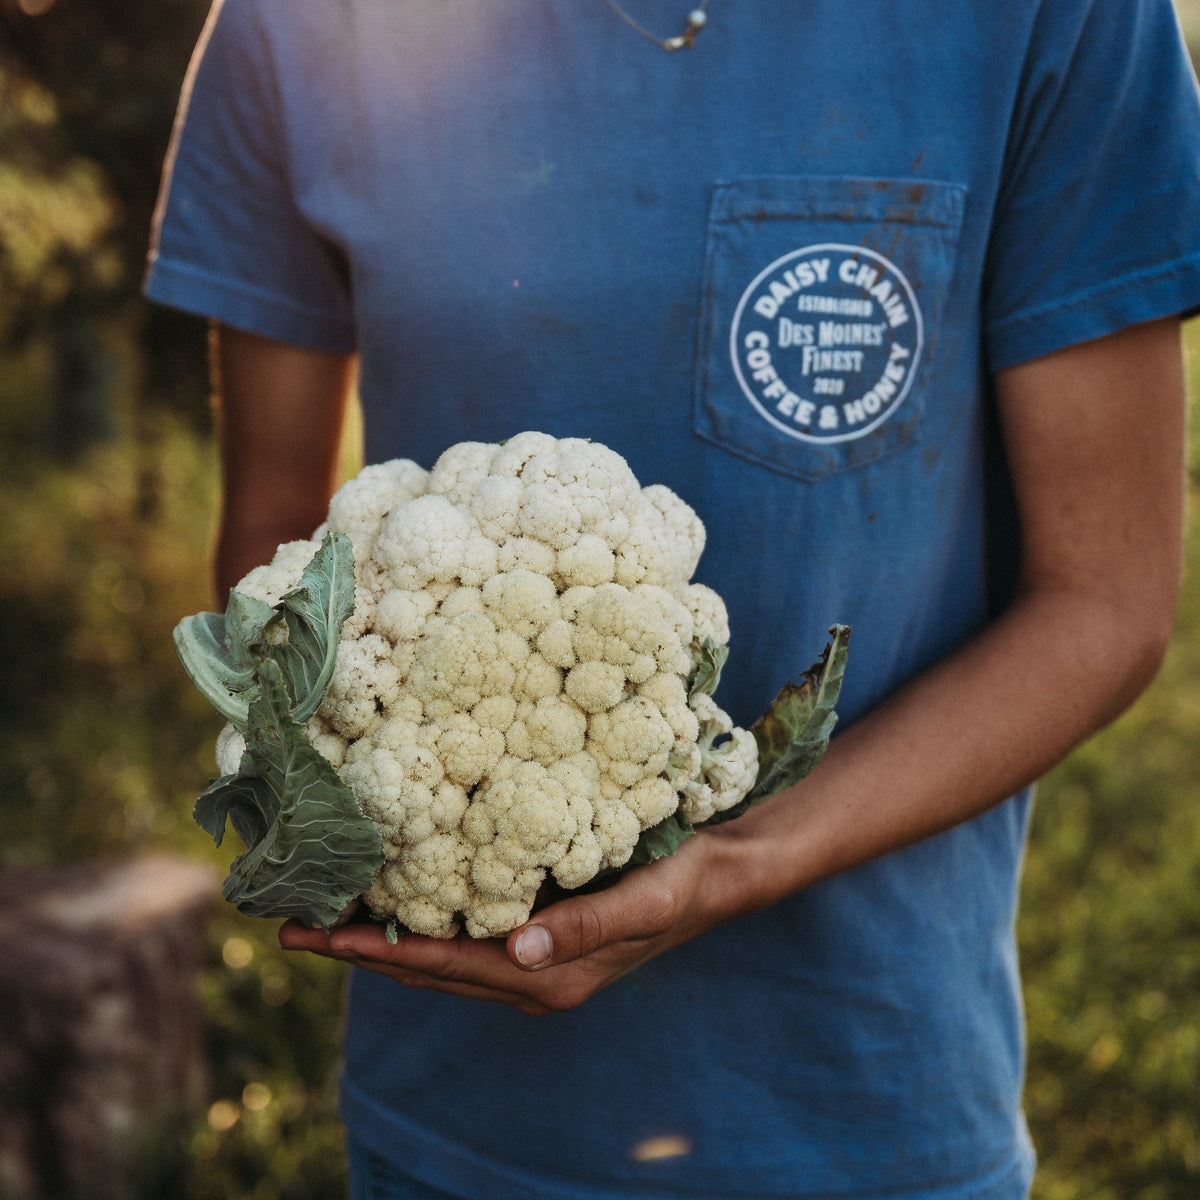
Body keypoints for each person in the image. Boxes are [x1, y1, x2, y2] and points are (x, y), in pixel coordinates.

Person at [145, 1, 1200, 1197]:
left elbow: (1104, 601)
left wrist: (739, 857)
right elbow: (267, 566)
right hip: (451, 1125)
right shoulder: (300, 24)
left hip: (873, 1117)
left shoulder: (1056, 19)